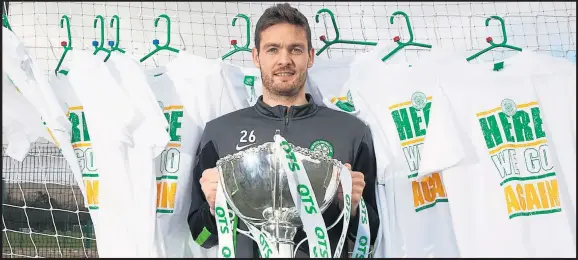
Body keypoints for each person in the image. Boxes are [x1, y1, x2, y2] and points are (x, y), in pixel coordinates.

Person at [187, 3, 380, 258]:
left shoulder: (352, 133)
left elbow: (371, 239)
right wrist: (213, 208)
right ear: (256, 56)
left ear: (310, 56)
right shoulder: (219, 134)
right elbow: (201, 237)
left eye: (295, 49)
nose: (284, 60)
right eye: (272, 49)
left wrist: (354, 209)